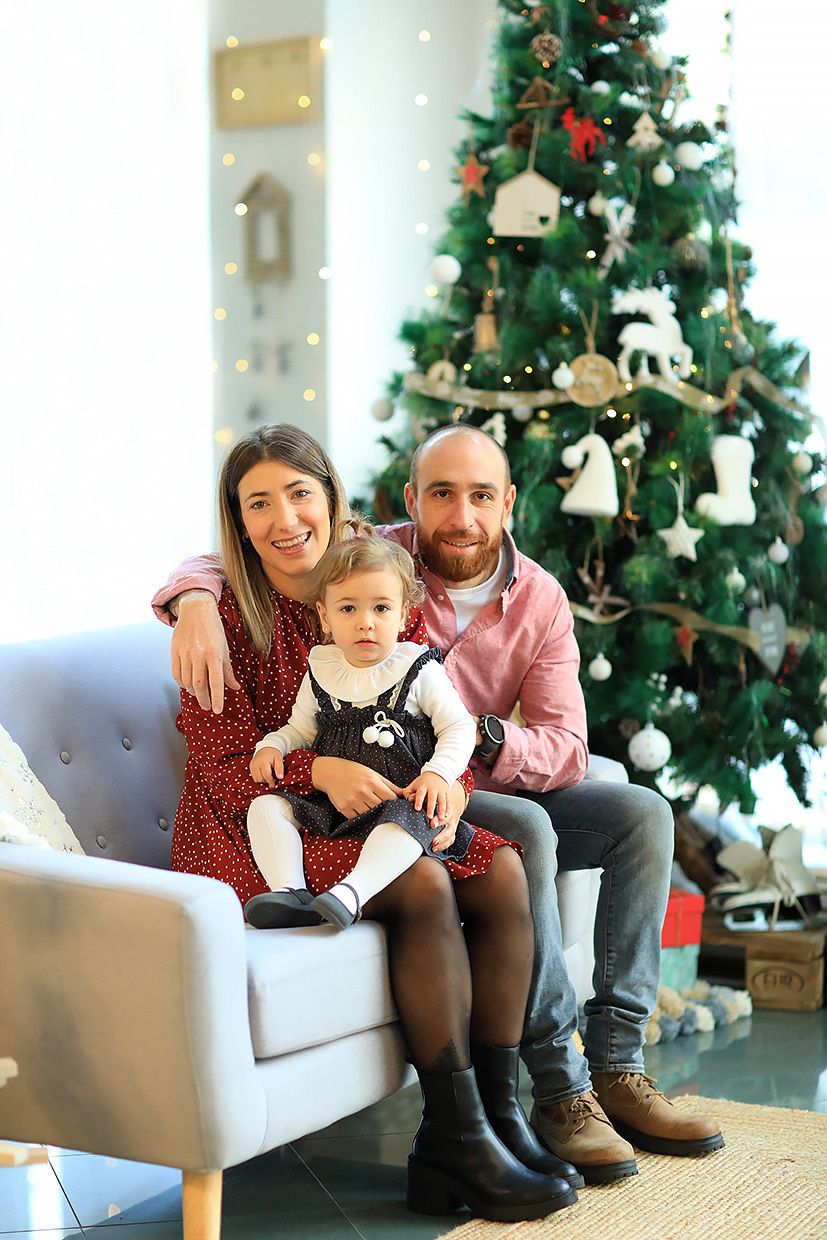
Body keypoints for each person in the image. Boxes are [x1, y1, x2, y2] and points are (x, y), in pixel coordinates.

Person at [154, 422, 724, 1186]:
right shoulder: (269, 600)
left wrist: (460, 764)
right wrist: (193, 597)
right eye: (259, 503)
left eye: (300, 495)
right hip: (268, 820)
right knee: (464, 857)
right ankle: (510, 1112)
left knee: (578, 833)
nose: (285, 519)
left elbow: (539, 738)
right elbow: (227, 754)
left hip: (412, 792)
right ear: (410, 502)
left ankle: (552, 1098)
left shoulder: (408, 579)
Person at [245, 519, 480, 932]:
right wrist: (273, 745)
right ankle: (290, 892)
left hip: (401, 797)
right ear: (324, 615)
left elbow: (458, 727)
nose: (365, 622)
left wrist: (438, 775)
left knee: (411, 820)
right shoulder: (322, 669)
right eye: (348, 608)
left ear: (404, 614)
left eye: (381, 608)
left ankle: (351, 893)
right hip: (338, 804)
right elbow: (301, 730)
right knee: (266, 806)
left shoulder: (417, 668)